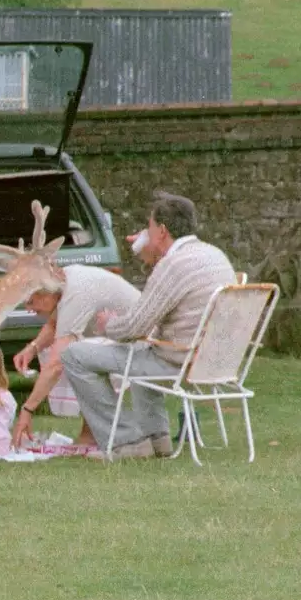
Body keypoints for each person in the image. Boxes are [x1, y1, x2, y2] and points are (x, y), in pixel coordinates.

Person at [61, 191, 237, 459]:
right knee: (144, 351)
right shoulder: (215, 255)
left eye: (150, 227)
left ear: (162, 231)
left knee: (75, 355)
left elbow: (134, 328)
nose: (147, 231)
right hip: (215, 360)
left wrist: (108, 324)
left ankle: (125, 442)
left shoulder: (174, 264)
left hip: (179, 360)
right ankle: (157, 438)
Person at [8, 264, 141, 451]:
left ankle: (112, 434)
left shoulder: (76, 294)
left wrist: (27, 409)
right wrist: (33, 348)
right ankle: (91, 433)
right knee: (71, 353)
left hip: (142, 347)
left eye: (30, 302)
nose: (29, 309)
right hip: (123, 342)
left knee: (74, 356)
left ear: (45, 294)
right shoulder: (64, 282)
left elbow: (56, 364)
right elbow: (56, 324)